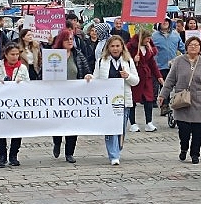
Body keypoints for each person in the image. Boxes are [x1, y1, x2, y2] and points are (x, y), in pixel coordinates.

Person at [158, 37, 201, 164]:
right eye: (191, 45)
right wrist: (162, 95)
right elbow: (170, 80)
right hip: (182, 100)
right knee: (184, 131)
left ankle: (195, 153)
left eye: (196, 45)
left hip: (200, 101)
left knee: (198, 131)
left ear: (200, 48)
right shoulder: (178, 61)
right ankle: (184, 148)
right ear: (186, 47)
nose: (193, 47)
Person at [92, 35, 139, 165]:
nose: (115, 48)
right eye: (112, 46)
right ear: (108, 48)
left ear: (122, 47)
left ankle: (118, 147)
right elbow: (96, 78)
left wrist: (127, 76)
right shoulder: (101, 61)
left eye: (117, 46)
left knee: (121, 128)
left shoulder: (128, 61)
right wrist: (89, 77)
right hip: (107, 101)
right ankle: (113, 154)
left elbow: (136, 81)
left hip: (123, 100)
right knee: (110, 128)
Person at [51, 29, 91, 163]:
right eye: (67, 39)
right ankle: (57, 142)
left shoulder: (78, 55)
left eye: (71, 39)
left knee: (73, 124)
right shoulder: (53, 55)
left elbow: (86, 71)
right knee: (57, 123)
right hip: (57, 95)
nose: (70, 41)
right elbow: (43, 75)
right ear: (61, 41)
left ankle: (69, 152)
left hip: (74, 96)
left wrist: (87, 75)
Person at [0, 42, 29, 167]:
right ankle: (2, 155)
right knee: (1, 130)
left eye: (17, 54)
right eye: (12, 54)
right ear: (6, 54)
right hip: (0, 103)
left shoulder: (23, 68)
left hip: (17, 104)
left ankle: (14, 155)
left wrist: (22, 84)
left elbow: (29, 85)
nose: (14, 57)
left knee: (17, 130)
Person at [127, 29, 163, 132]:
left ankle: (149, 122)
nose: (148, 40)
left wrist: (158, 76)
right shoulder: (130, 47)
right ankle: (133, 123)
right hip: (135, 76)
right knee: (133, 100)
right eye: (147, 38)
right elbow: (124, 60)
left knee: (149, 99)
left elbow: (152, 63)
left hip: (146, 77)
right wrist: (133, 60)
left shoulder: (149, 48)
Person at [152, 17, 185, 115]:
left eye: (167, 21)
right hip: (159, 66)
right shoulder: (154, 36)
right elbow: (150, 50)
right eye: (163, 21)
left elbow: (182, 48)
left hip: (173, 65)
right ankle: (164, 106)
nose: (165, 22)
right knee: (164, 86)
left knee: (173, 86)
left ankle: (178, 103)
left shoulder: (175, 35)